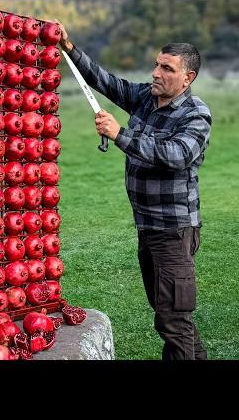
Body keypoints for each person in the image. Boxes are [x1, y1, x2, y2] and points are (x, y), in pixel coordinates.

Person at [51, 20, 212, 360]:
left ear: (188, 78)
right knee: (172, 317)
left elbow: (176, 155)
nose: (156, 73)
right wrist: (69, 47)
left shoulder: (195, 114)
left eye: (166, 68)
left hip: (173, 232)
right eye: (156, 64)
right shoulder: (145, 97)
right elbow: (104, 81)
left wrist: (119, 134)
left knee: (173, 320)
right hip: (149, 229)